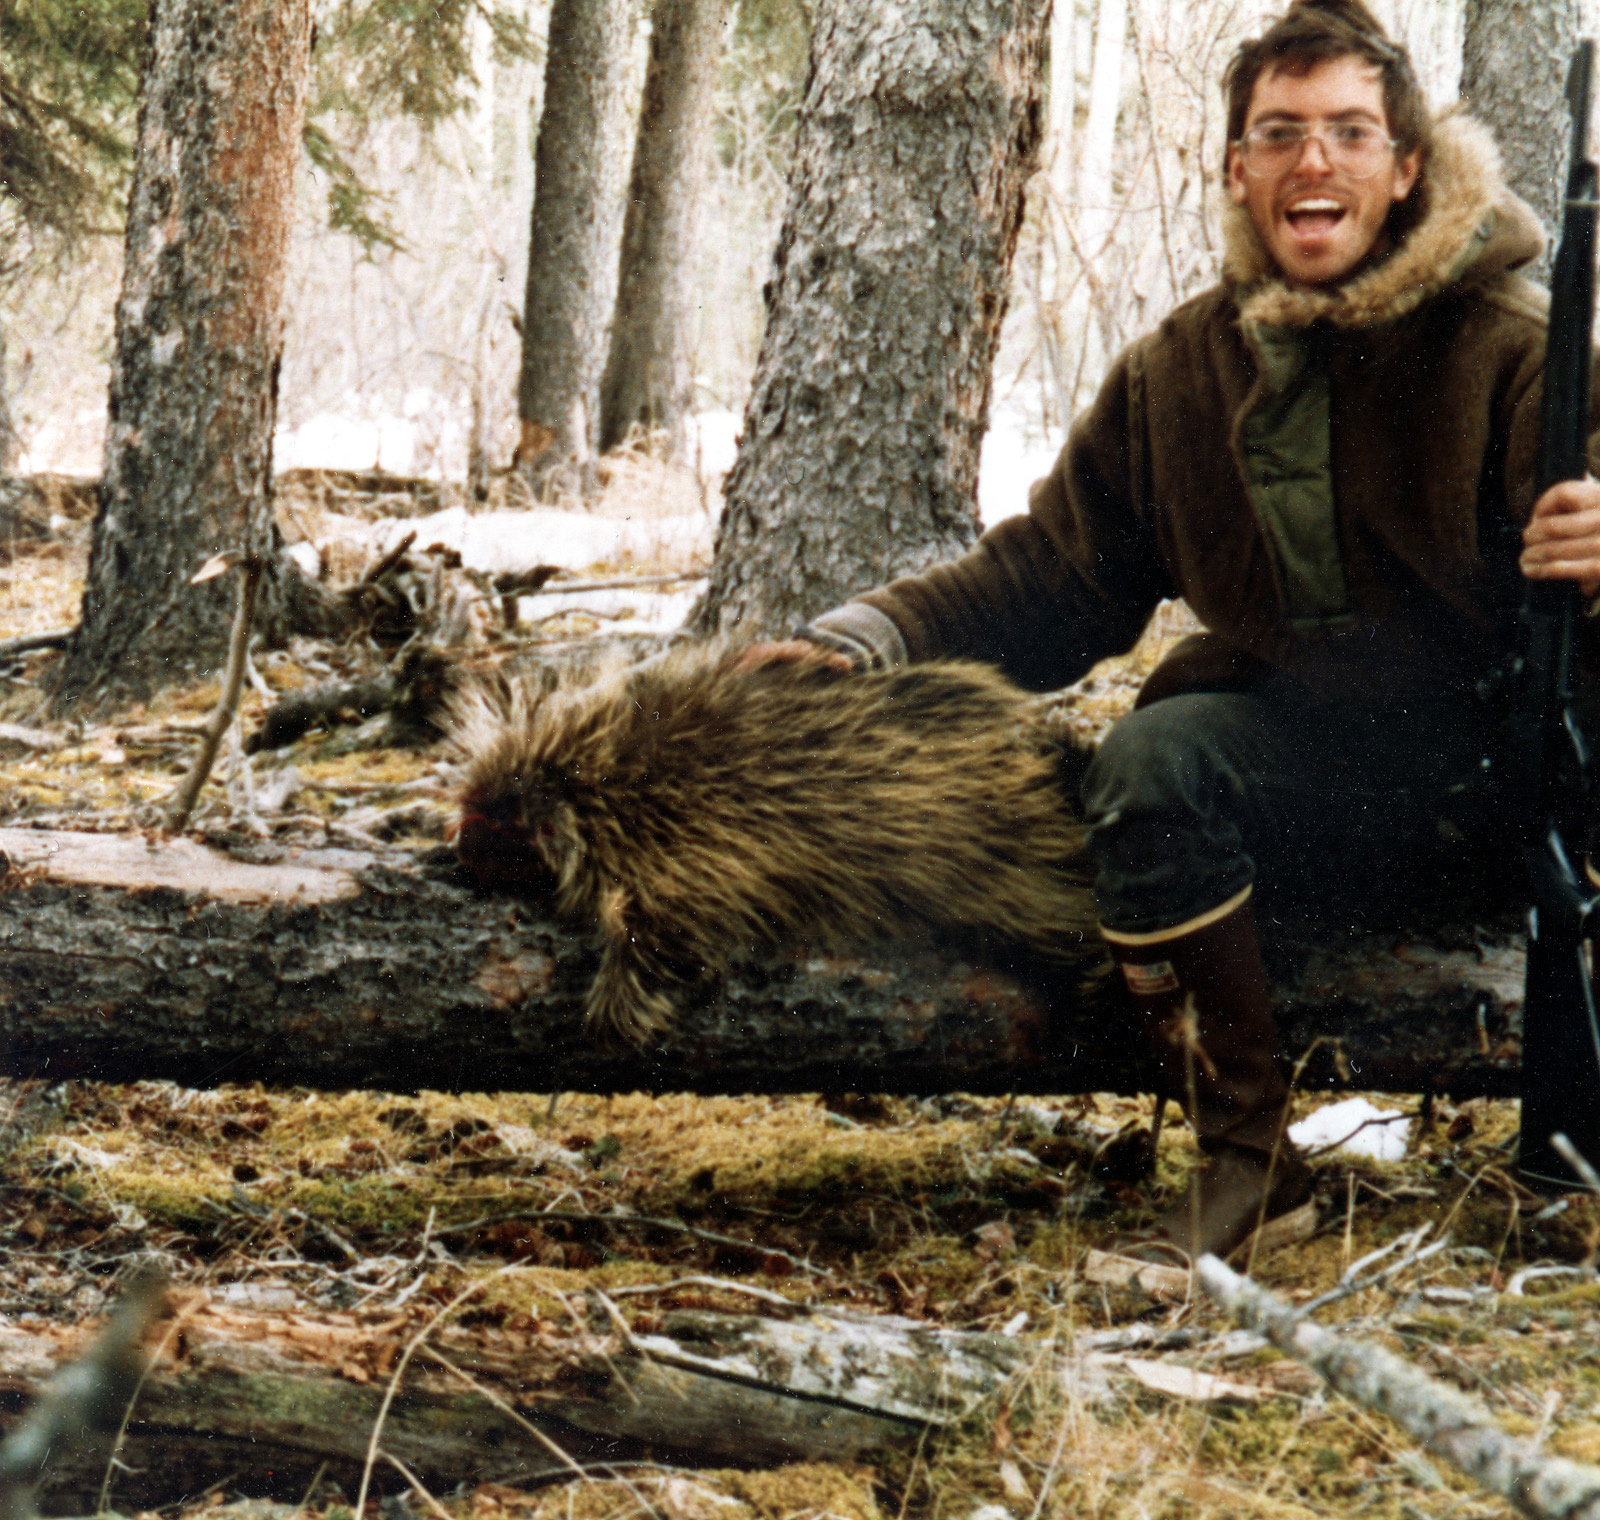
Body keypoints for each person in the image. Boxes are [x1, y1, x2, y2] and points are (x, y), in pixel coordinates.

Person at [758, 0, 1600, 1263]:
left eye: (1349, 134)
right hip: (1310, 776)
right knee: (1150, 763)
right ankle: (1251, 1160)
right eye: (1278, 134)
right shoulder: (1179, 372)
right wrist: (860, 643)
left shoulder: (1521, 347)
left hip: (1519, 774)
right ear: (1235, 171)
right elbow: (1050, 576)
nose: (1313, 162)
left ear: (1407, 167)